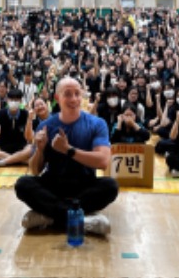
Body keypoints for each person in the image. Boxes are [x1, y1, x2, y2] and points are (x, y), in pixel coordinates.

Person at [14, 77, 118, 236]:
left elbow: (103, 161)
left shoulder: (97, 123)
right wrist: (40, 150)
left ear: (82, 94)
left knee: (110, 186)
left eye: (77, 93)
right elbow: (35, 170)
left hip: (84, 184)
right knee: (23, 184)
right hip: (54, 184)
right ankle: (81, 219)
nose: (74, 99)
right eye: (68, 94)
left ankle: (50, 217)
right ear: (57, 98)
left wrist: (68, 150)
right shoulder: (45, 126)